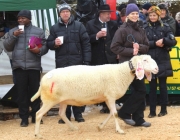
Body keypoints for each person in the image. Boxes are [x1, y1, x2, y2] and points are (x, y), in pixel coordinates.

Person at [46, 3, 91, 124]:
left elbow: (86, 44)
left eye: (67, 11)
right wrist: (54, 43)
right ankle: (65, 116)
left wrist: (86, 61)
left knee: (77, 90)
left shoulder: (79, 26)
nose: (65, 13)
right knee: (64, 90)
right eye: (63, 12)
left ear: (70, 13)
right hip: (62, 64)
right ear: (59, 14)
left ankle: (78, 115)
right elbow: (49, 44)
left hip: (77, 62)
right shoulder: (54, 28)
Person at [3, 10, 48, 127]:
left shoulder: (38, 31)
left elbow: (44, 47)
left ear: (29, 19)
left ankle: (35, 116)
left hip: (33, 67)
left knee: (35, 93)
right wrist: (14, 36)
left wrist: (39, 50)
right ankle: (24, 118)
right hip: (18, 67)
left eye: (23, 18)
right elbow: (7, 47)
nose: (20, 20)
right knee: (22, 94)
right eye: (19, 18)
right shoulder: (13, 31)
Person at [110, 3, 151, 127]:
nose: (135, 15)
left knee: (140, 90)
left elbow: (147, 46)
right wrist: (130, 51)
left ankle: (138, 119)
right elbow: (114, 47)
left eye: (136, 13)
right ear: (127, 15)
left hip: (139, 65)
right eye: (132, 13)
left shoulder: (141, 29)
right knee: (140, 90)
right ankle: (125, 113)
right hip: (126, 66)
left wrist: (139, 48)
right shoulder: (122, 30)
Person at [143, 6, 177, 118]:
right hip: (150, 61)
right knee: (152, 87)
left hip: (163, 60)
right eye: (150, 15)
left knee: (163, 86)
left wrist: (164, 40)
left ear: (158, 16)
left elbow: (173, 41)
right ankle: (152, 111)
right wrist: (154, 43)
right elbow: (143, 43)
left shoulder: (165, 27)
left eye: (154, 15)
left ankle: (164, 109)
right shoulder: (144, 28)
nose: (152, 17)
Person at [86, 4, 118, 113]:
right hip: (98, 57)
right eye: (107, 14)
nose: (109, 16)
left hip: (110, 57)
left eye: (110, 13)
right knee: (99, 81)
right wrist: (96, 36)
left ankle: (108, 104)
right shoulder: (90, 24)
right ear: (101, 14)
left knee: (110, 82)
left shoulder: (113, 24)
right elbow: (86, 39)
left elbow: (117, 40)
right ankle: (99, 102)